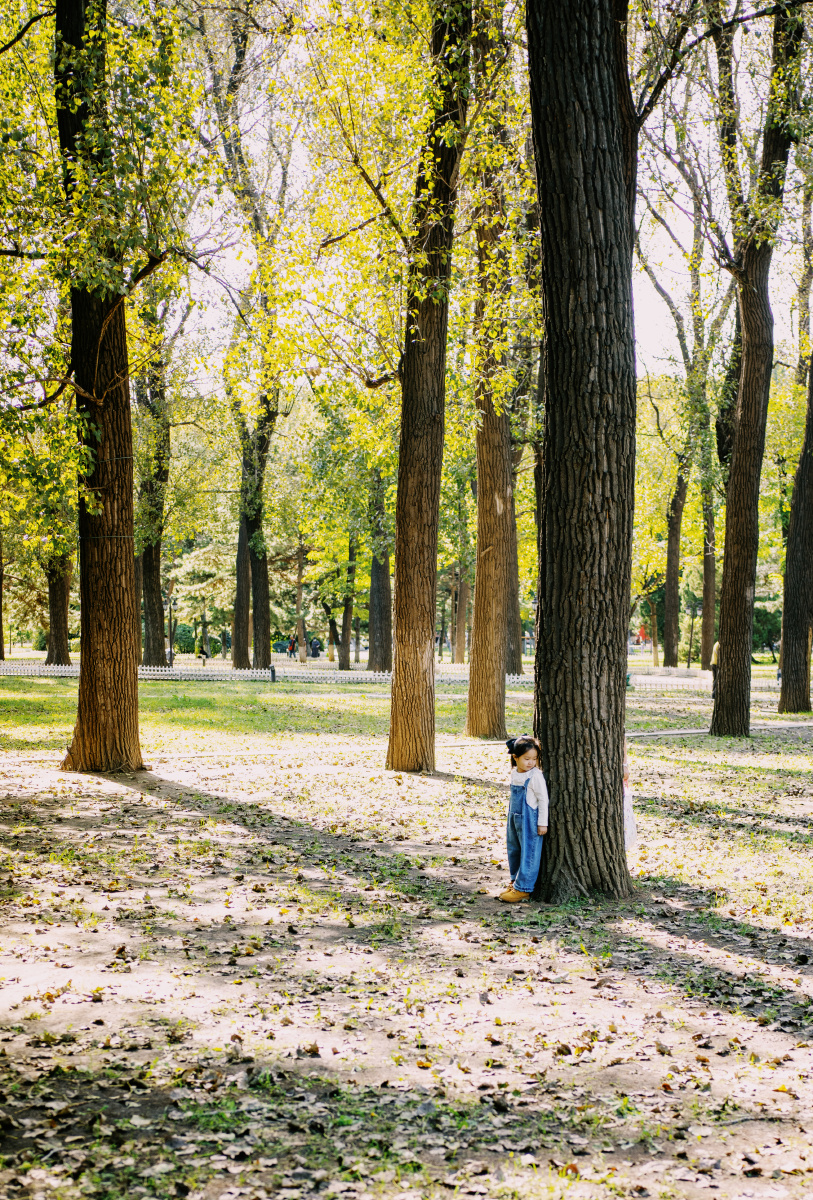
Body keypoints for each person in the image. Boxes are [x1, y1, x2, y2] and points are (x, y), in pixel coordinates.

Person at [499, 735, 548, 903]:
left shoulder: (535, 776)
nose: (531, 763)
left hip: (530, 820)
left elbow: (543, 800)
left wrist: (543, 822)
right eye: (527, 759)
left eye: (534, 759)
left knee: (529, 852)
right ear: (515, 757)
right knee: (514, 849)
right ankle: (514, 880)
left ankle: (524, 888)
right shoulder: (515, 773)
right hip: (514, 817)